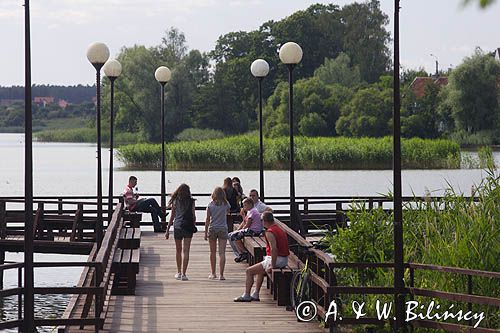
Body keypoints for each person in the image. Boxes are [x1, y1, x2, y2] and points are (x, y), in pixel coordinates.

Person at [234, 212, 289, 302]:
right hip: (284, 259)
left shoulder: (270, 232)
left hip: (277, 259)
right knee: (260, 270)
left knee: (249, 271)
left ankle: (246, 295)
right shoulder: (279, 229)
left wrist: (273, 265)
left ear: (264, 221)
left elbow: (274, 249)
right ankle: (256, 293)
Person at [165, 184, 196, 281]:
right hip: (188, 227)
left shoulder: (175, 201)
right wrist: (193, 225)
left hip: (177, 227)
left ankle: (178, 272)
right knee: (186, 251)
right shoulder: (191, 201)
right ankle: (184, 274)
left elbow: (172, 216)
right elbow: (193, 215)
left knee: (178, 250)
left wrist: (167, 230)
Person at [204, 187, 231, 280]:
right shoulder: (226, 204)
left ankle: (213, 273)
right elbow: (228, 211)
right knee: (222, 252)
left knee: (212, 252)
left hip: (213, 229)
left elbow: (207, 219)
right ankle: (221, 275)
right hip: (223, 228)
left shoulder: (210, 205)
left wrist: (205, 232)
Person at [228, 198, 263, 263]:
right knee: (231, 235)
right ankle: (240, 253)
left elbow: (248, 224)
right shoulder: (250, 211)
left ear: (250, 204)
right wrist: (243, 216)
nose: (244, 207)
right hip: (251, 230)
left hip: (254, 231)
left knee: (234, 236)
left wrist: (239, 231)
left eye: (245, 205)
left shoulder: (253, 211)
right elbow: (245, 221)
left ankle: (244, 253)